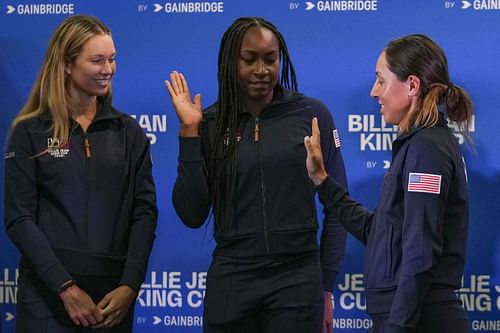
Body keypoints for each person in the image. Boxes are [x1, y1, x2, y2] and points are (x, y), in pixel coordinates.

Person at [166, 16, 348, 333]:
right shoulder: (208, 122)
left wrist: (327, 284)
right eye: (249, 60)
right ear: (230, 62)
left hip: (297, 277)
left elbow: (338, 204)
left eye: (270, 59)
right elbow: (192, 213)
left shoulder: (311, 115)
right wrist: (189, 133)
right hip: (233, 277)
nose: (261, 71)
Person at [304, 34, 472, 333]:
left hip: (420, 319)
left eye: (381, 80)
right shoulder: (416, 145)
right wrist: (322, 181)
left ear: (411, 85)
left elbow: (420, 251)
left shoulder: (427, 148)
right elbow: (380, 232)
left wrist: (398, 327)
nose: (373, 92)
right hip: (405, 315)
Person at [4, 15, 158, 332]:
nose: (108, 69)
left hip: (111, 299)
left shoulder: (129, 133)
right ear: (67, 64)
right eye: (97, 60)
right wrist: (65, 288)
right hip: (46, 297)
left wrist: (130, 285)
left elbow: (144, 213)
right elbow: (19, 217)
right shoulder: (29, 131)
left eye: (112, 59)